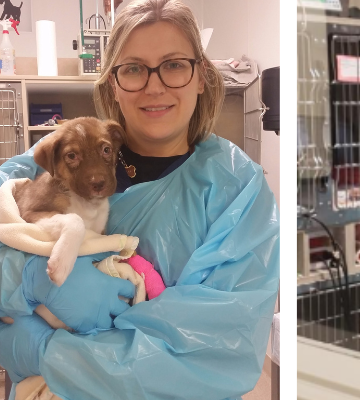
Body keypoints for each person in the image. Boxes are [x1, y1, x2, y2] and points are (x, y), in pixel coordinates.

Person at [0, 0, 279, 398]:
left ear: (201, 75)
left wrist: (46, 350)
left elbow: (209, 352)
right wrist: (24, 281)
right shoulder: (59, 155)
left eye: (174, 64)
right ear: (113, 82)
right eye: (133, 68)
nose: (154, 85)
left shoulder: (235, 190)